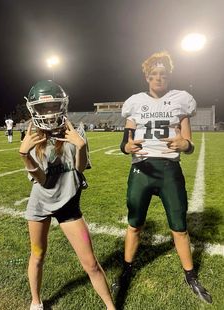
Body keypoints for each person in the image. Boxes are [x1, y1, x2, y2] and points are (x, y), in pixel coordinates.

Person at [113, 51, 212, 304]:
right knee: (135, 224)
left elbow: (189, 145)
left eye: (163, 74)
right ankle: (126, 269)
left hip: (169, 170)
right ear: (147, 76)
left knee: (179, 227)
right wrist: (128, 148)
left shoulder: (180, 100)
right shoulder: (135, 102)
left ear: (168, 76)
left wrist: (184, 143)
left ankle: (190, 275)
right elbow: (125, 143)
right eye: (154, 74)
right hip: (141, 170)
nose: (159, 78)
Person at [19, 80, 115, 310]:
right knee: (38, 255)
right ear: (35, 109)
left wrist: (81, 147)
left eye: (53, 106)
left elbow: (79, 170)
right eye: (44, 108)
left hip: (69, 205)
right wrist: (25, 155)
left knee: (91, 264)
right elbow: (42, 180)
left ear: (62, 106)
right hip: (40, 204)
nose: (49, 112)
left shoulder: (76, 131)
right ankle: (36, 302)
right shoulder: (32, 135)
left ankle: (111, 308)